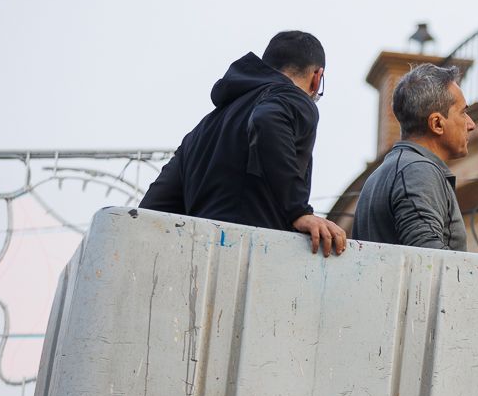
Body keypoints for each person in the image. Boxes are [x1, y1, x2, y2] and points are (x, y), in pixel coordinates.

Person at [140, 31, 347, 256]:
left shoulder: (203, 129)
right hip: (251, 261)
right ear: (317, 77)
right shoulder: (292, 98)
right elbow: (268, 119)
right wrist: (298, 211)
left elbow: (152, 212)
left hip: (197, 265)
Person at [353, 63, 475, 251]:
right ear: (437, 123)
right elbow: (428, 259)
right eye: (463, 112)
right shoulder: (418, 171)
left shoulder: (386, 173)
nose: (471, 124)